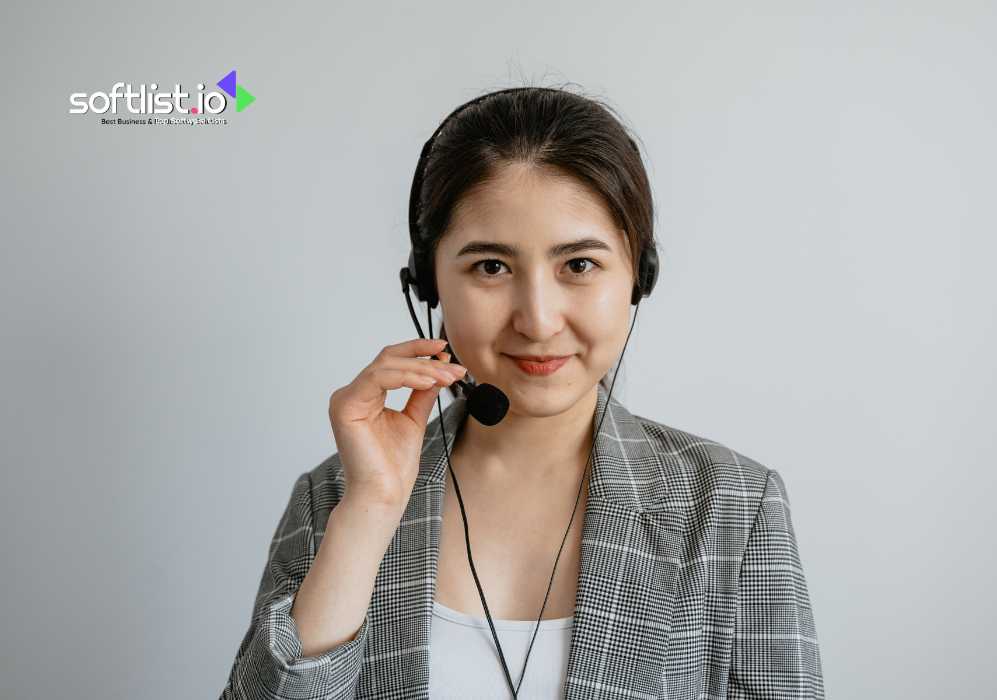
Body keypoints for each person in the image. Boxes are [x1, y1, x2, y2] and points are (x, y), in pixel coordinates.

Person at [219, 86, 824, 699]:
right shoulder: (335, 499)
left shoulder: (732, 507)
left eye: (579, 265)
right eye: (491, 267)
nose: (537, 320)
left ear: (637, 277)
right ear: (429, 286)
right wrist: (370, 512)